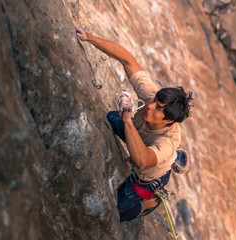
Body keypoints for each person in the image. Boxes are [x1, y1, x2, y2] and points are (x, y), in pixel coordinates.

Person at [74, 24, 193, 221]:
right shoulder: (152, 99)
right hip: (143, 141)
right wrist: (89, 38)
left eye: (158, 107)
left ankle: (151, 201)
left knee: (120, 212)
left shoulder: (167, 143)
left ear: (169, 120)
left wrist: (128, 121)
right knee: (112, 118)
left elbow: (143, 161)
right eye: (155, 101)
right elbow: (127, 60)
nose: (150, 106)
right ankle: (175, 160)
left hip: (147, 174)